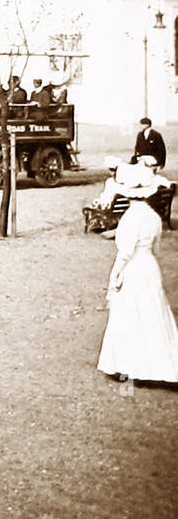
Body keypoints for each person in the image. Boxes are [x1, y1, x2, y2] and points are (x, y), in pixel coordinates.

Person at [97, 162, 178, 384]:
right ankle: (160, 365)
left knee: (130, 314)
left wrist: (114, 276)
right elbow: (156, 249)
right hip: (149, 265)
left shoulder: (130, 218)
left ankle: (129, 366)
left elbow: (125, 252)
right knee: (153, 313)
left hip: (133, 267)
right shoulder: (153, 217)